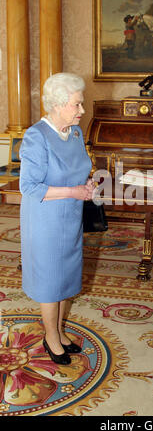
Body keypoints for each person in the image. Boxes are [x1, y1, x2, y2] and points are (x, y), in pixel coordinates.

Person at [19, 72, 95, 366]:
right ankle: (50, 337)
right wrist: (73, 191)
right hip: (46, 219)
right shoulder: (36, 136)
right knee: (51, 281)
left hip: (70, 214)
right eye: (77, 105)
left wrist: (86, 186)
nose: (82, 111)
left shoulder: (74, 133)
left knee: (66, 275)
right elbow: (29, 187)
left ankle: (61, 332)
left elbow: (77, 170)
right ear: (59, 104)